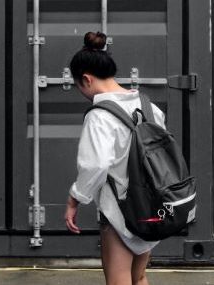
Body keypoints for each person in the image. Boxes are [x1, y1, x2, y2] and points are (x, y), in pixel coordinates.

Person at [64, 32, 166, 285]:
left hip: (121, 211)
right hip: (152, 206)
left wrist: (75, 199)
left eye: (78, 86)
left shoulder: (99, 115)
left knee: (118, 281)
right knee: (139, 277)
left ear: (86, 79)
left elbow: (95, 165)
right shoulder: (149, 106)